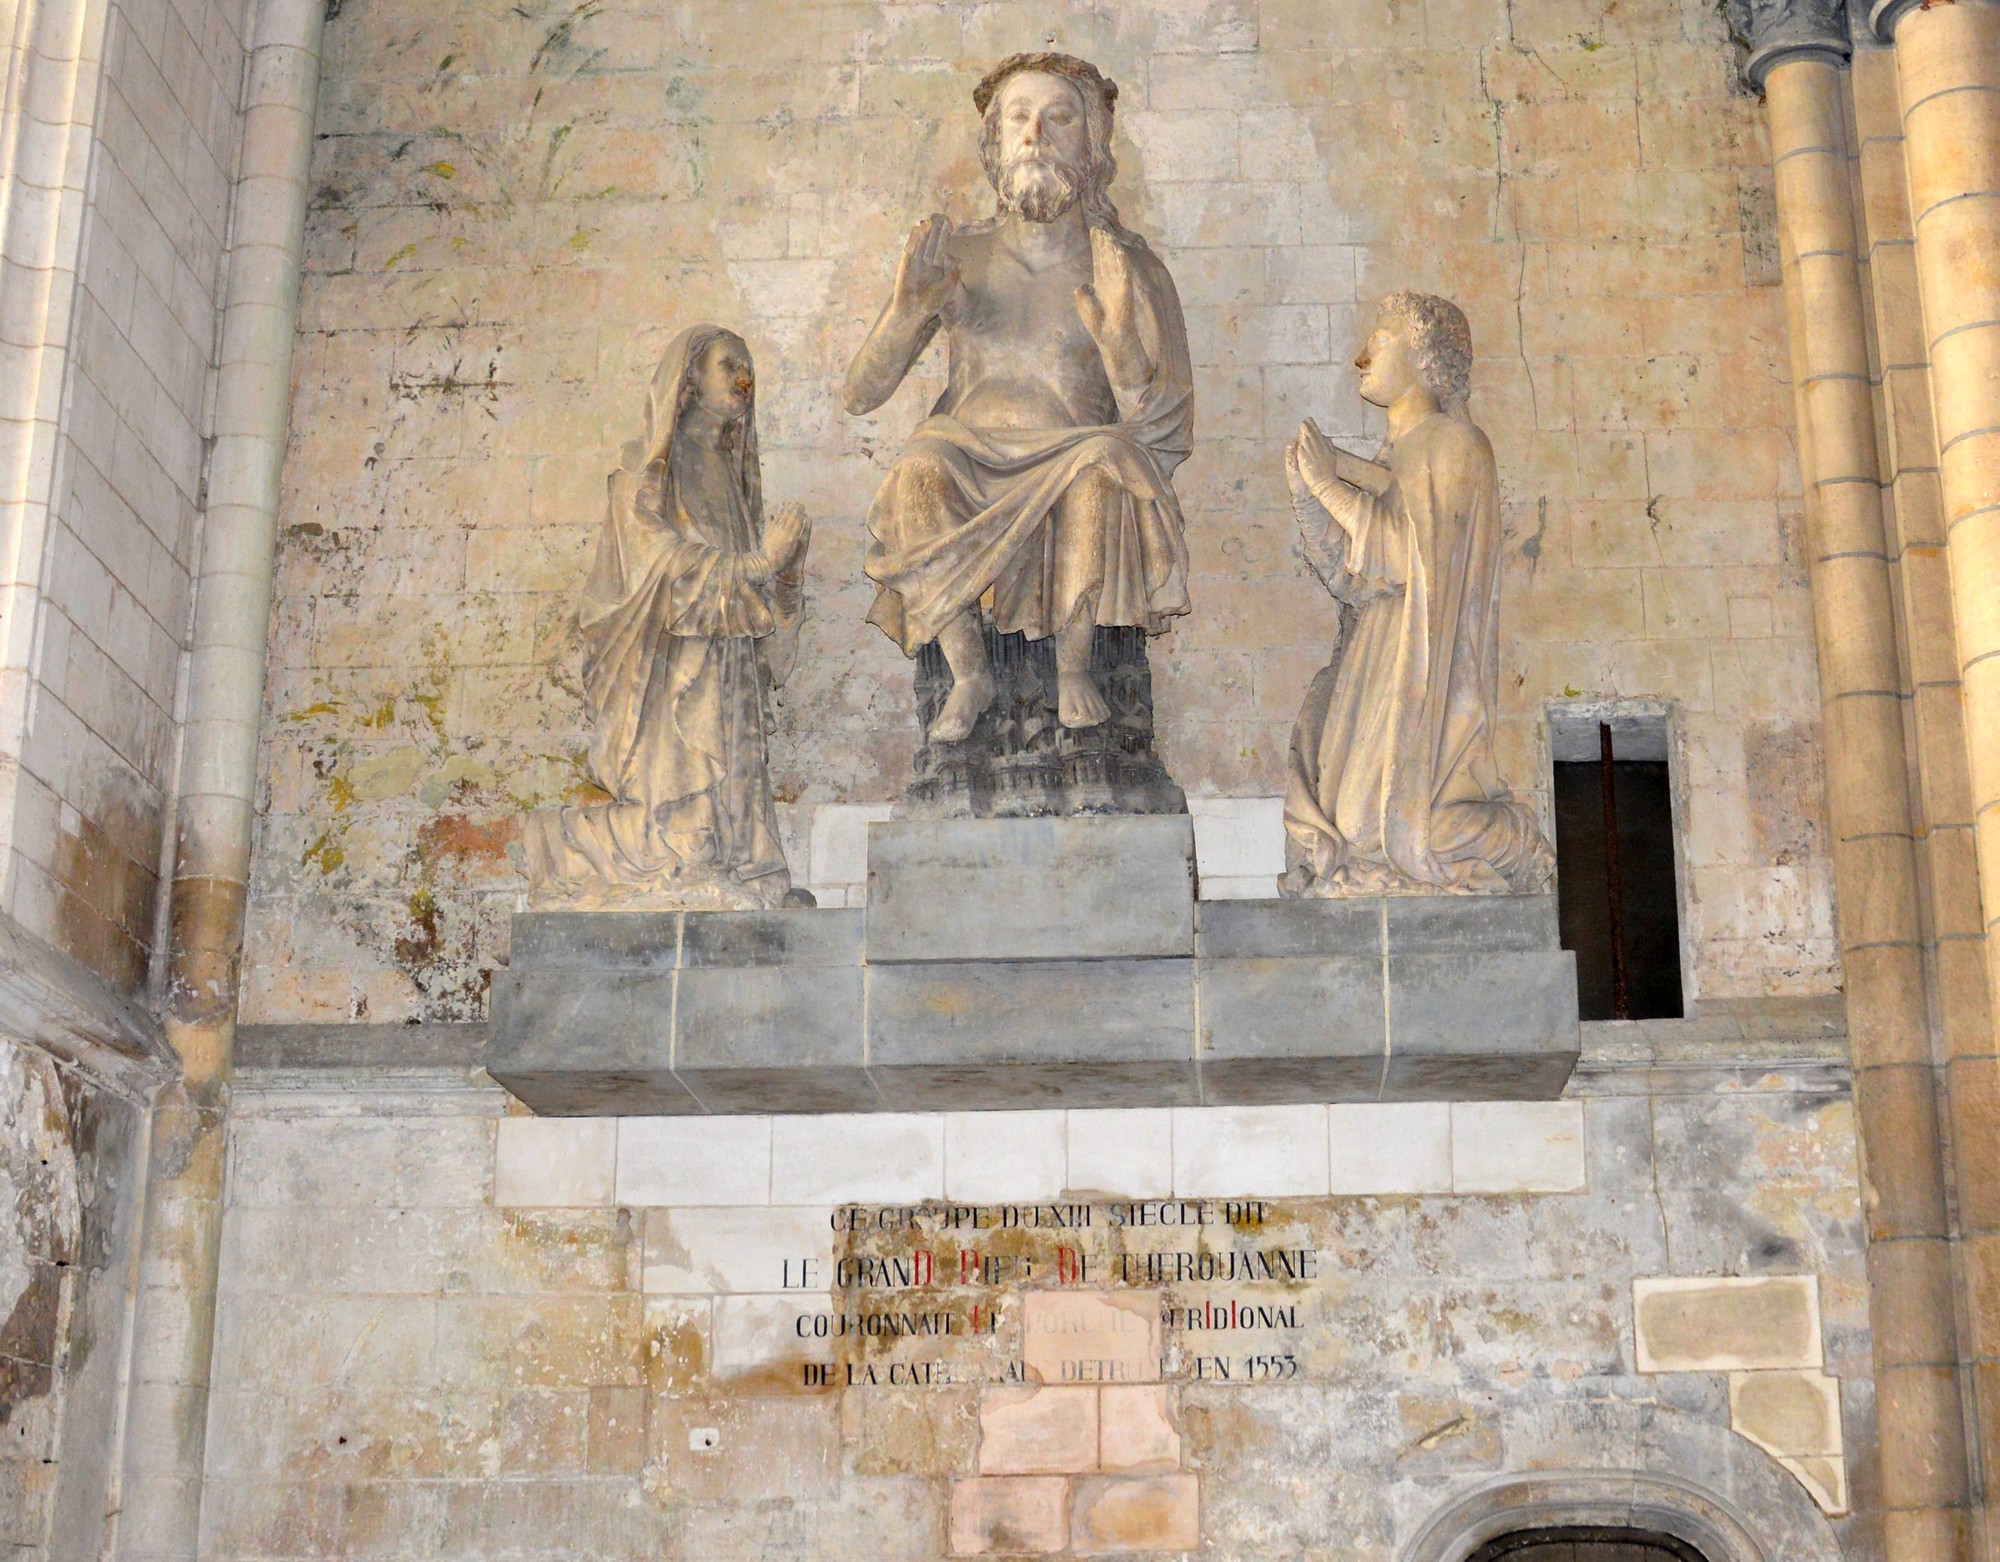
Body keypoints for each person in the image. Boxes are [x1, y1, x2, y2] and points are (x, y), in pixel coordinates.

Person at [844, 52, 1194, 743]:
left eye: (1059, 117)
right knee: (917, 470)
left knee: (1102, 463)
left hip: (1074, 450)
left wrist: (1121, 348)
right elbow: (862, 393)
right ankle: (969, 673)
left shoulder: (1127, 264)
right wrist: (906, 312)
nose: (1035, 133)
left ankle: (1072, 667)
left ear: (1091, 145)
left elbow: (1166, 432)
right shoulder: (961, 256)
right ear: (995, 143)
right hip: (966, 454)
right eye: (1018, 118)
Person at [527, 325, 810, 908]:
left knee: (733, 755)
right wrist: (756, 563)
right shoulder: (653, 464)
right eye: (729, 365)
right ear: (689, 379)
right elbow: (650, 556)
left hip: (725, 654)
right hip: (672, 655)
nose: (744, 379)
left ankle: (740, 862)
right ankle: (677, 855)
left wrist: (782, 574)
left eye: (748, 367)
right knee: (686, 764)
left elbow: (751, 595)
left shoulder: (731, 478)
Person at [1281, 292, 1553, 896]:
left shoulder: (1456, 444)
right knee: (1344, 826)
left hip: (1420, 664)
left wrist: (1327, 484)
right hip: (1377, 652)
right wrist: (1310, 497)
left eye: (1379, 337)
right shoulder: (1393, 455)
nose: (1361, 356)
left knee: (1371, 828)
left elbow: (1409, 559)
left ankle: (1511, 839)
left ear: (1423, 354)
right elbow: (1353, 580)